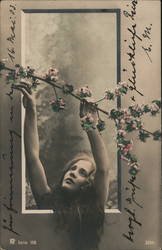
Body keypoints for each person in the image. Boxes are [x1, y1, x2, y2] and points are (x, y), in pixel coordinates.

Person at [14, 83, 110, 250]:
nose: (72, 173)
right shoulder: (48, 201)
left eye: (81, 172)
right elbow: (32, 158)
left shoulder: (96, 204)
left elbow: (103, 169)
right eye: (71, 169)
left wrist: (90, 125)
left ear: (88, 183)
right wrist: (31, 110)